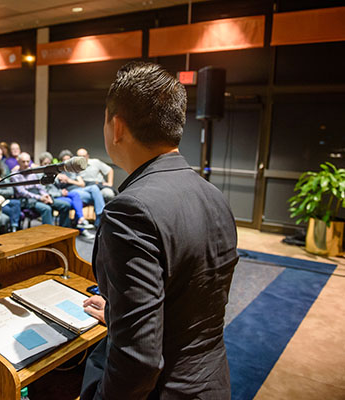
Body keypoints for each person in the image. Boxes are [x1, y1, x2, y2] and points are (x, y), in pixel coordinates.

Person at [79, 61, 238, 399]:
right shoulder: (214, 195)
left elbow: (138, 361)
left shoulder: (130, 210)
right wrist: (118, 313)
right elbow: (189, 301)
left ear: (116, 126)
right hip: (212, 381)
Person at [38, 152, 95, 239]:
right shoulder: (39, 175)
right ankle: (80, 225)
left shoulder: (54, 173)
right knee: (73, 202)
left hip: (60, 193)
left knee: (75, 197)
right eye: (45, 163)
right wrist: (61, 192)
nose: (47, 165)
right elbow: (45, 192)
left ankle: (80, 221)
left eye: (49, 163)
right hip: (52, 197)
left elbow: (57, 186)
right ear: (41, 163)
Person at [11, 152, 71, 228]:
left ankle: (64, 231)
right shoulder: (15, 175)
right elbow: (22, 192)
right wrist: (40, 198)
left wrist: (46, 195)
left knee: (65, 206)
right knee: (46, 208)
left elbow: (39, 187)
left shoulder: (32, 173)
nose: (26, 164)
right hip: (27, 200)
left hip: (39, 196)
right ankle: (50, 235)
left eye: (28, 161)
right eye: (23, 162)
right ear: (18, 162)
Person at [58, 149, 106, 228]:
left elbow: (82, 184)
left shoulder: (73, 171)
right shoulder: (60, 173)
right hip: (72, 191)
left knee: (94, 187)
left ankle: (100, 215)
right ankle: (100, 217)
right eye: (64, 160)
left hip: (81, 189)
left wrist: (69, 180)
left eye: (68, 160)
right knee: (96, 196)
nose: (66, 162)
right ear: (61, 161)